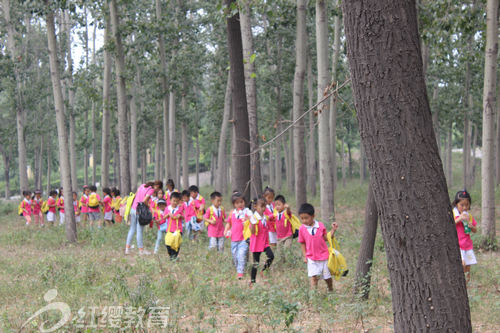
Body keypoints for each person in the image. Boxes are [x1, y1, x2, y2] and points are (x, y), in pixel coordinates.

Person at [297, 203, 338, 292]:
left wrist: (333, 230)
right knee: (314, 277)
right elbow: (302, 243)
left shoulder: (320, 226)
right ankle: (313, 295)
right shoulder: (301, 229)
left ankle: (330, 289)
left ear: (313, 216)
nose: (304, 221)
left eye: (306, 218)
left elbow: (326, 238)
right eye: (302, 218)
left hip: (324, 256)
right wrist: (305, 256)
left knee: (327, 277)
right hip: (311, 257)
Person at [125, 180, 163, 255]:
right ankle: (141, 250)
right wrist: (150, 208)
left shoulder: (142, 185)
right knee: (139, 231)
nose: (156, 191)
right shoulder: (151, 190)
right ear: (157, 186)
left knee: (132, 229)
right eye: (158, 190)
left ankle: (127, 248)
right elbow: (145, 200)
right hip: (139, 211)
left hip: (133, 209)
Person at [224, 192, 256, 279]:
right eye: (237, 203)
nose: (239, 204)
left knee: (241, 255)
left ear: (244, 202)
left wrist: (247, 218)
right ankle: (239, 268)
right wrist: (225, 231)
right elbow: (229, 223)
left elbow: (253, 219)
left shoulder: (247, 211)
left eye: (241, 202)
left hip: (243, 239)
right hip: (234, 239)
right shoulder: (232, 213)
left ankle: (240, 272)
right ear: (233, 204)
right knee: (235, 257)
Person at [452, 189, 478, 285]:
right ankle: (460, 284)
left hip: (467, 244)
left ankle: (467, 286)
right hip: (458, 244)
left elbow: (475, 230)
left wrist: (472, 227)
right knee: (462, 264)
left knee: (468, 266)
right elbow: (450, 225)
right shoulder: (454, 214)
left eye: (467, 205)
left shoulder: (469, 215)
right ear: (456, 204)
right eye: (461, 205)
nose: (464, 207)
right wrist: (459, 219)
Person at [249, 195, 274, 285]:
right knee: (256, 263)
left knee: (271, 256)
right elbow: (252, 232)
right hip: (256, 244)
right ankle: (252, 282)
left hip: (265, 243)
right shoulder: (253, 218)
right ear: (255, 206)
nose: (263, 208)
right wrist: (252, 223)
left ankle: (264, 271)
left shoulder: (265, 218)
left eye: (264, 206)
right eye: (261, 206)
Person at [164, 192, 185, 259]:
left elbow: (183, 218)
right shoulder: (167, 208)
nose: (175, 203)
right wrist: (168, 214)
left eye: (177, 201)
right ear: (170, 200)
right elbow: (164, 217)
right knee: (168, 244)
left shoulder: (180, 209)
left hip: (178, 230)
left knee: (176, 244)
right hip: (170, 230)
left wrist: (180, 216)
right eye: (174, 201)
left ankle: (174, 257)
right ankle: (170, 254)